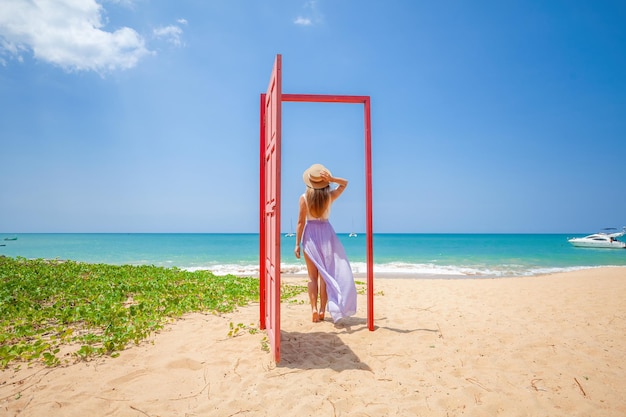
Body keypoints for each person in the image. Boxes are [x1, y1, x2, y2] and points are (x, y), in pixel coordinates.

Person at [294, 163, 357, 323]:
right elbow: (345, 183)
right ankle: (323, 310)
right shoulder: (329, 196)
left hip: (310, 236)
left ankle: (314, 309)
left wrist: (297, 244)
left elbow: (301, 222)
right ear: (324, 182)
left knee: (311, 277)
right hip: (327, 235)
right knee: (324, 276)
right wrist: (333, 179)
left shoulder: (304, 198)